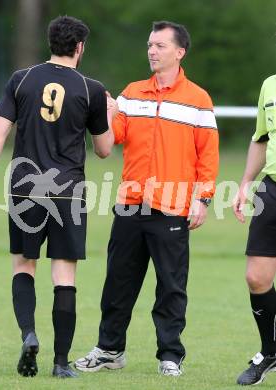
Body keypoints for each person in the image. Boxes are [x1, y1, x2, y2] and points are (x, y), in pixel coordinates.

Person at [0, 15, 113, 379]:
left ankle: (29, 334)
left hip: (24, 187)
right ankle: (61, 363)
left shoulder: (22, 79)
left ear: (51, 43)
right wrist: (111, 111)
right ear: (80, 47)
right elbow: (104, 150)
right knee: (64, 275)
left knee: (23, 265)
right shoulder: (90, 88)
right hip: (68, 191)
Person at [75, 20, 219, 376]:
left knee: (171, 286)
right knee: (117, 283)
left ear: (179, 52)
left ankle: (170, 355)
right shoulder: (132, 93)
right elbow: (112, 140)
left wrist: (203, 199)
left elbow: (208, 156)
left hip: (172, 206)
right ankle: (110, 350)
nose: (152, 51)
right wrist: (107, 113)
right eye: (150, 45)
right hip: (130, 204)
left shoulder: (198, 100)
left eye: (160, 45)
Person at [233, 74, 276, 386]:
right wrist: (246, 181)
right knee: (257, 277)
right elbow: (261, 138)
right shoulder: (269, 85)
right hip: (271, 188)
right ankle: (270, 351)